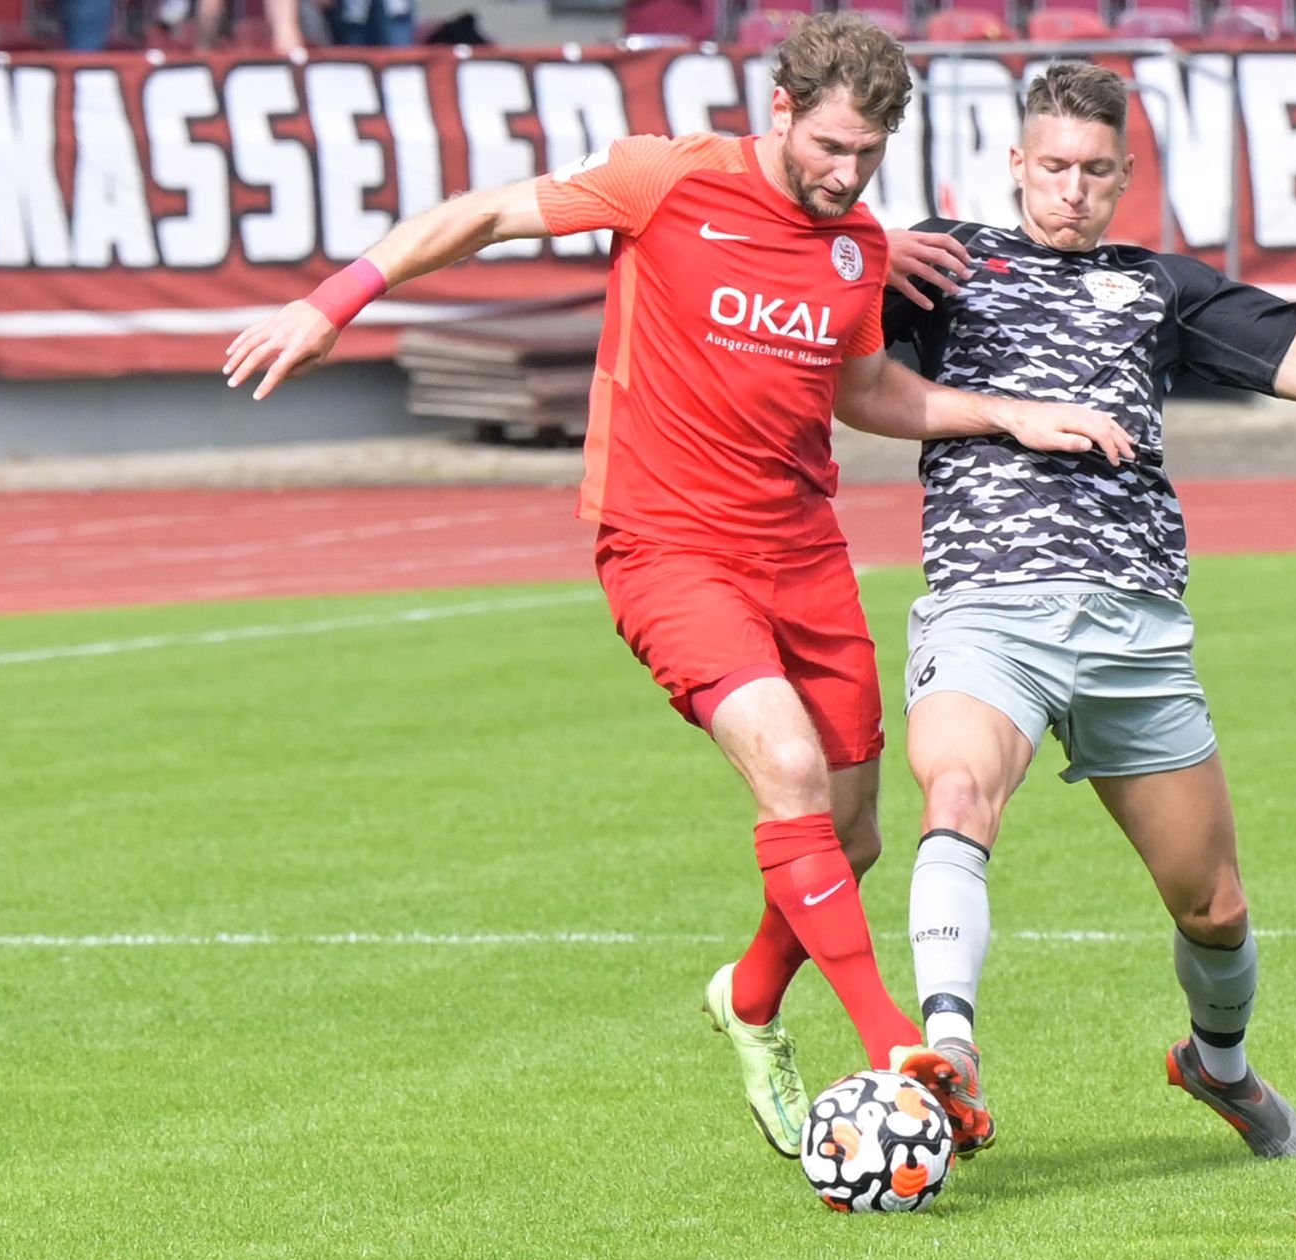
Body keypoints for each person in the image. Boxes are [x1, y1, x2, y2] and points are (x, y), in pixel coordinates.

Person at [222, 15, 1137, 1159]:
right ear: (783, 110)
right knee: (789, 767)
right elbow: (485, 214)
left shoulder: (854, 243)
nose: (844, 174)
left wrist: (1005, 414)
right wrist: (332, 300)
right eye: (829, 147)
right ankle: (896, 1044)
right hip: (665, 543)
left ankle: (749, 1001)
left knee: (848, 838)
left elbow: (864, 390)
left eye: (867, 155)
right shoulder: (666, 178)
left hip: (802, 552)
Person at [879, 62, 1296, 1158]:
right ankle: (949, 1047)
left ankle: (1220, 1068)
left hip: (1135, 632)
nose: (1073, 190)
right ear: (1014, 166)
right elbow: (845, 374)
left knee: (1215, 908)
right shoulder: (939, 260)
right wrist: (854, 253)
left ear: (1127, 176)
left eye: (1096, 171)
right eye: (1052, 168)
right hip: (989, 607)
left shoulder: (1160, 286)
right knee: (957, 786)